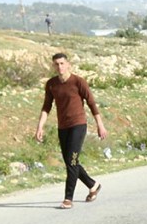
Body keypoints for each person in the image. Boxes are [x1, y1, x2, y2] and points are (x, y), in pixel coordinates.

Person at [35, 53, 107, 208]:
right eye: (56, 64)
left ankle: (68, 198)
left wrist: (100, 125)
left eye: (62, 63)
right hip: (63, 127)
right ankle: (93, 185)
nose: (60, 67)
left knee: (72, 161)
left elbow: (92, 103)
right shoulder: (51, 84)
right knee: (70, 162)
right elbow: (46, 106)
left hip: (78, 125)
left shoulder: (78, 82)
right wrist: (40, 126)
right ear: (53, 66)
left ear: (68, 64)